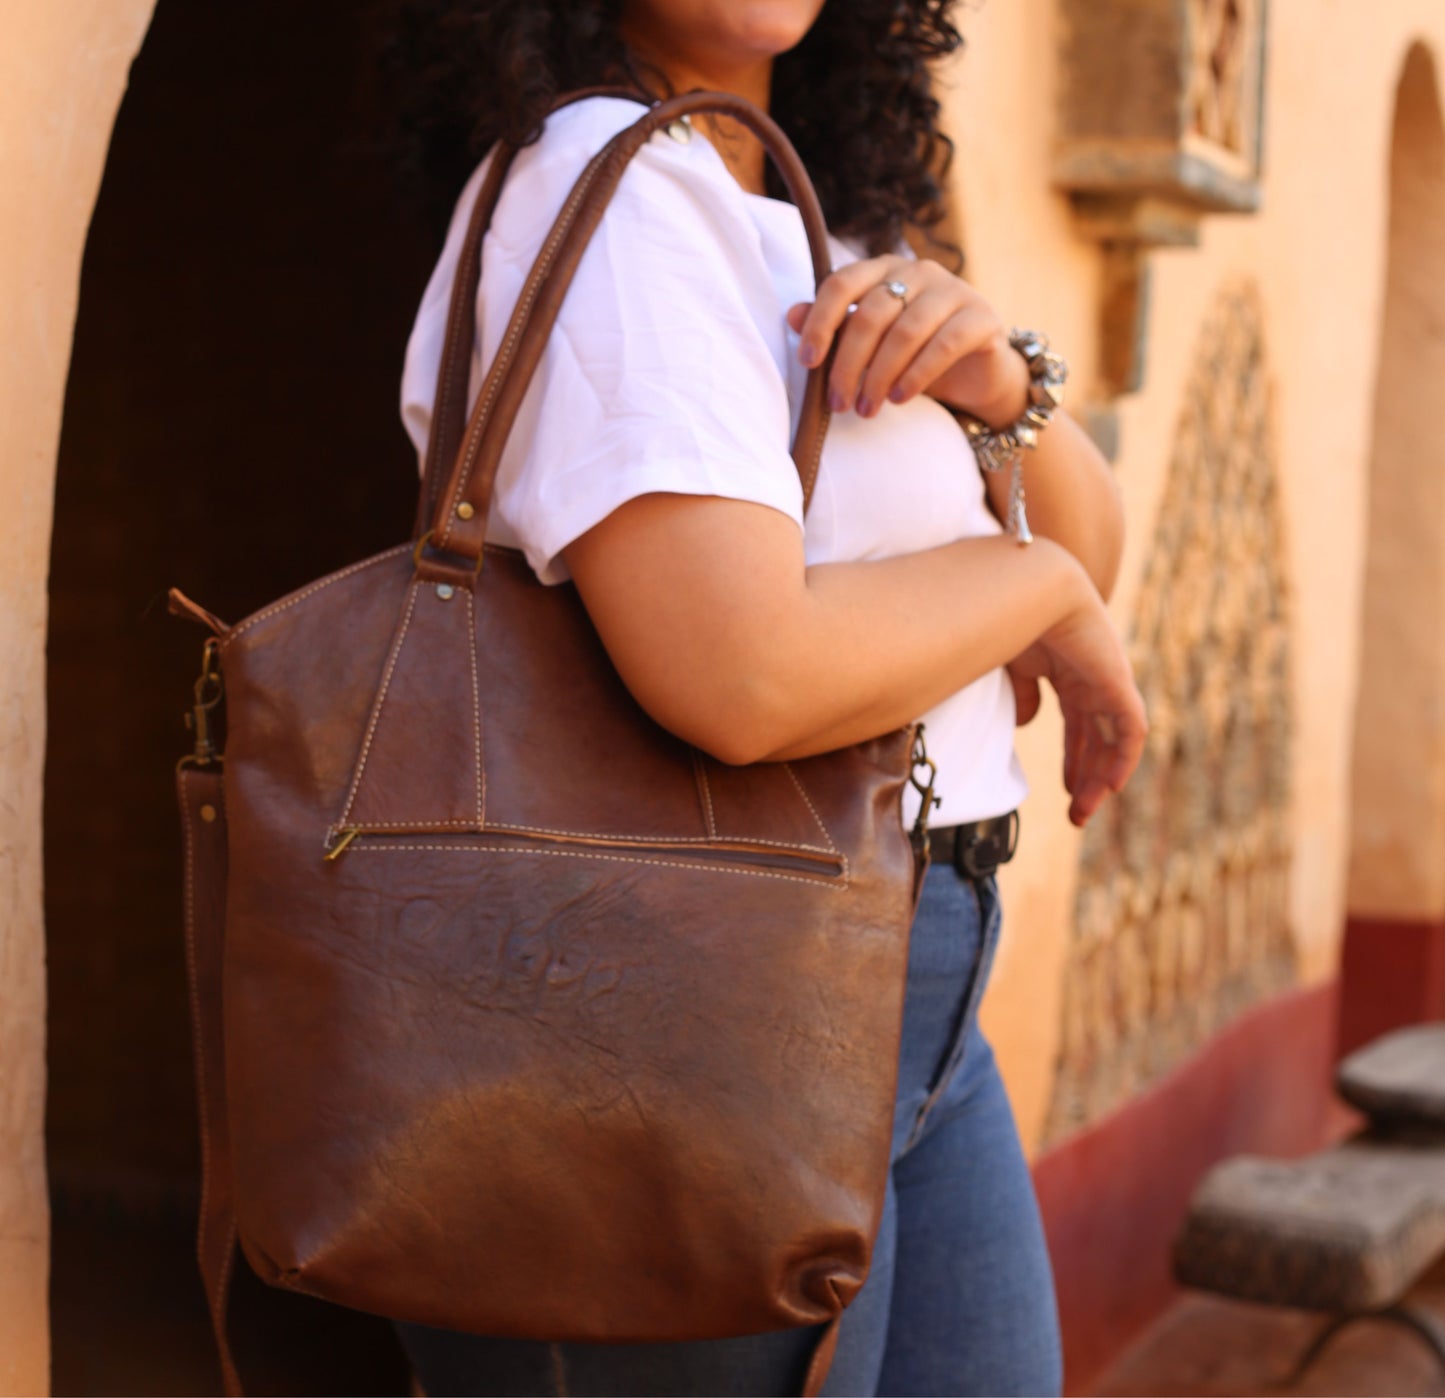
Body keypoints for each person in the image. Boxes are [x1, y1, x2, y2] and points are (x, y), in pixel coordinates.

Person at [385, 2, 1146, 1393]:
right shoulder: (607, 190)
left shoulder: (826, 213)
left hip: (920, 992)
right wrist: (1031, 590)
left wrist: (998, 384)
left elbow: (1086, 550)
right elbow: (740, 672)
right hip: (703, 1009)